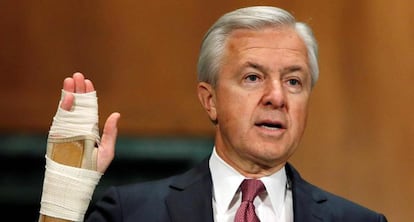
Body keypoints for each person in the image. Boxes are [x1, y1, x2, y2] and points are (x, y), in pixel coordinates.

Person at [38, 5, 388, 222]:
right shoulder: (132, 213)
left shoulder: (359, 221)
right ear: (210, 101)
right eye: (253, 77)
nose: (277, 97)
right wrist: (62, 201)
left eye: (294, 81)